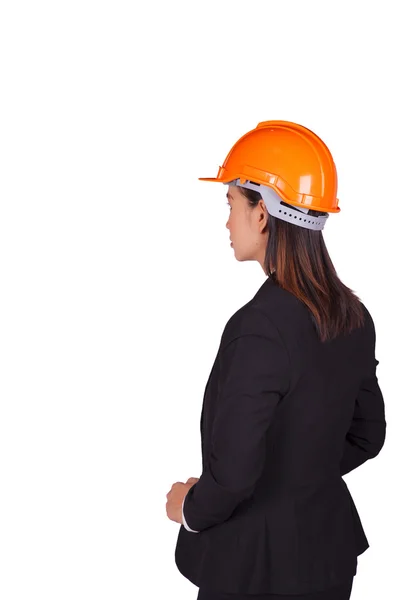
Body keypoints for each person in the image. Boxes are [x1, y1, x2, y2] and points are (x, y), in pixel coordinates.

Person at [166, 121, 386, 600]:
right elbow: (368, 436)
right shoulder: (355, 317)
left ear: (261, 213)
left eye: (230, 204)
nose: (227, 221)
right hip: (328, 554)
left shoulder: (260, 326)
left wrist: (191, 507)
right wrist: (294, 475)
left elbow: (235, 473)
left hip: (256, 570)